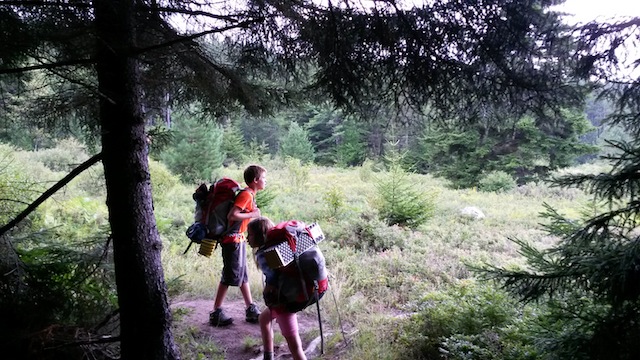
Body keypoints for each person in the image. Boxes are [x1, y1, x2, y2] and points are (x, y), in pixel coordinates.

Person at [209, 164, 267, 327]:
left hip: (238, 239)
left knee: (242, 274)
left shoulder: (250, 194)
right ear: (255, 180)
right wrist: (254, 214)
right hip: (231, 240)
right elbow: (232, 215)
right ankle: (216, 312)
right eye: (264, 178)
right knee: (229, 276)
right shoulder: (246, 195)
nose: (265, 181)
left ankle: (250, 308)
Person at [247, 217, 307, 360]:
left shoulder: (264, 254)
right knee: (264, 319)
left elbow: (272, 280)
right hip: (289, 295)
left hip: (283, 302)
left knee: (295, 348)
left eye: (249, 234)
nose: (246, 238)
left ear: (260, 235)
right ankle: (268, 356)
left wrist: (268, 291)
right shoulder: (278, 249)